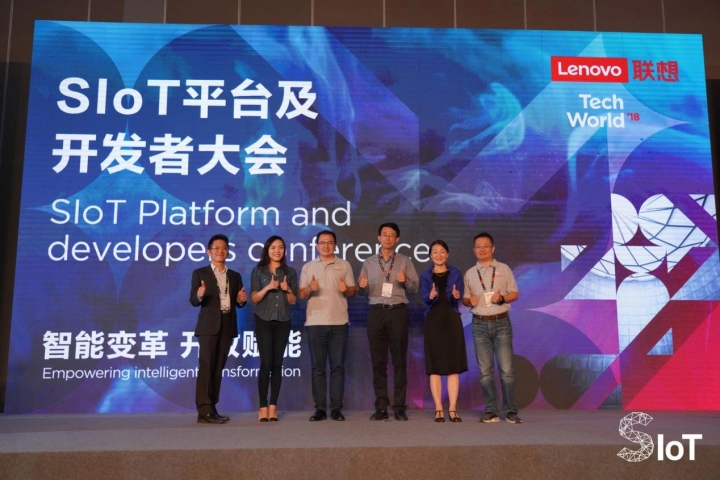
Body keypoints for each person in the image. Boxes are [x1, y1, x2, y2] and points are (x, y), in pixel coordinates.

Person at [358, 222, 419, 421]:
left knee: (399, 361)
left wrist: (405, 279)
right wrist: (361, 287)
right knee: (378, 361)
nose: (387, 238)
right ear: (379, 238)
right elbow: (361, 291)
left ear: (397, 239)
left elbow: (415, 288)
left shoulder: (405, 261)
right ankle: (381, 407)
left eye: (391, 235)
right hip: (376, 312)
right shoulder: (368, 262)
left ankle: (399, 407)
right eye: (384, 234)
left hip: (397, 312)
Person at [462, 232, 521, 424]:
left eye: (486, 246)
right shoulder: (470, 273)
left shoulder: (504, 268)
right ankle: (491, 411)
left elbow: (514, 293)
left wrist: (502, 298)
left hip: (501, 322)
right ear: (474, 250)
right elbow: (466, 299)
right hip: (479, 324)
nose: (482, 249)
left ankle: (510, 411)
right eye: (478, 246)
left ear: (492, 248)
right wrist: (468, 301)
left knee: (507, 370)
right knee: (485, 372)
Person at [189, 234, 248, 424]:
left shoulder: (235, 276)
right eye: (216, 248)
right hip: (208, 326)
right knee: (207, 366)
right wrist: (199, 294)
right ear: (209, 251)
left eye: (224, 248)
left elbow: (239, 303)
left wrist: (241, 300)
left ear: (228, 251)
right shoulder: (200, 273)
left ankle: (212, 407)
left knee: (218, 367)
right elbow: (193, 300)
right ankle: (203, 410)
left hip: (227, 325)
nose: (220, 251)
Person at [298, 230, 356, 421]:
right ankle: (320, 409)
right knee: (318, 368)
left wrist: (346, 289)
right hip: (315, 323)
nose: (326, 246)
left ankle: (336, 408)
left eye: (329, 242)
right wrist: (310, 288)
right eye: (322, 243)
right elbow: (301, 294)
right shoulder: (308, 267)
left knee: (337, 368)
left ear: (335, 245)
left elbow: (352, 291)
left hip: (339, 322)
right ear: (316, 246)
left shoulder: (344, 265)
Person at [250, 235, 298, 422]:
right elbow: (254, 298)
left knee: (278, 363)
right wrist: (268, 287)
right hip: (263, 319)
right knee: (266, 362)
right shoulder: (258, 270)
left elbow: (293, 301)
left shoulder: (290, 272)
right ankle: (262, 406)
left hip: (283, 320)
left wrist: (287, 290)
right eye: (273, 247)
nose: (277, 251)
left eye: (280, 247)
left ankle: (273, 406)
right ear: (267, 250)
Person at [419, 240, 467, 423]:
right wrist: (430, 296)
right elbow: (424, 297)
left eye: (442, 251)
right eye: (435, 252)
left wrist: (457, 295)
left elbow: (459, 295)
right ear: (430, 255)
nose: (438, 255)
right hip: (433, 321)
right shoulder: (425, 275)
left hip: (451, 320)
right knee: (435, 367)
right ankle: (438, 408)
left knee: (453, 366)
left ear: (447, 254)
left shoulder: (456, 273)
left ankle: (453, 408)